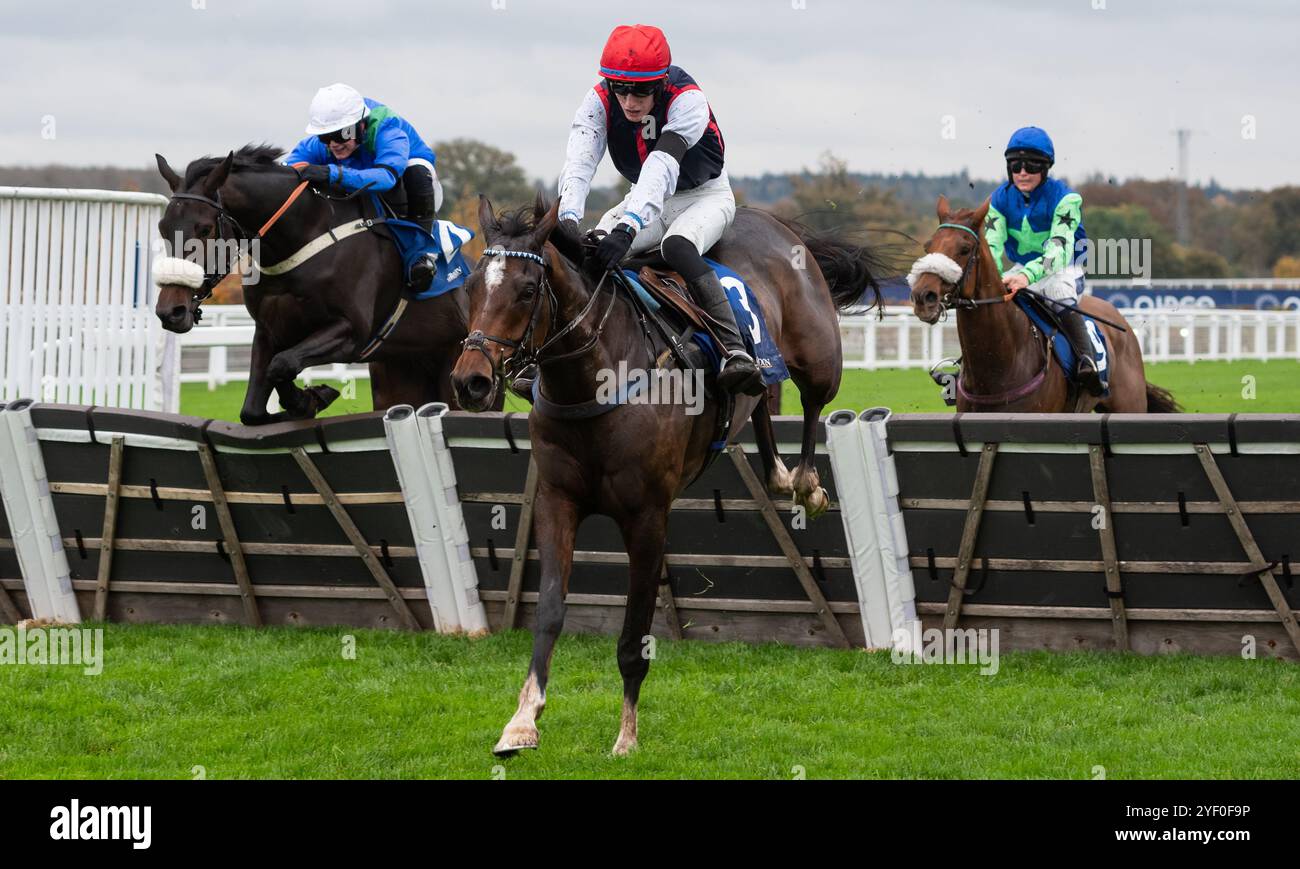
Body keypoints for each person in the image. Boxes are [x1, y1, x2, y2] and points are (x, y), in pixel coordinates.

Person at [550, 24, 762, 397]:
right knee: (588, 253)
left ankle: (734, 349)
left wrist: (628, 228)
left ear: (661, 82)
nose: (630, 102)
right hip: (646, 196)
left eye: (642, 90)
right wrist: (567, 220)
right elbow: (580, 162)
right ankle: (555, 358)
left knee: (677, 246)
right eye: (621, 89)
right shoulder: (597, 100)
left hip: (705, 196)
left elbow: (661, 166)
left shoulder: (687, 100)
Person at [286, 83, 444, 284]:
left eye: (341, 134)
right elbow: (289, 169)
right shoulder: (325, 141)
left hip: (406, 187)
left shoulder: (388, 130)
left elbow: (387, 178)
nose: (333, 143)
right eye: (326, 136)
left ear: (361, 125)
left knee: (417, 169)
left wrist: (331, 172)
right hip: (363, 187)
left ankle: (424, 254)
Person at [985, 126, 1103, 395]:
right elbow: (991, 246)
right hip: (1022, 267)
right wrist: (992, 277)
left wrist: (1026, 276)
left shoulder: (1066, 199)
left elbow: (1058, 252)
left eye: (1031, 165)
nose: (1023, 172)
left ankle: (1087, 360)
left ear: (1045, 168)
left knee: (1058, 291)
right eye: (1016, 165)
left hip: (1064, 265)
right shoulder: (999, 199)